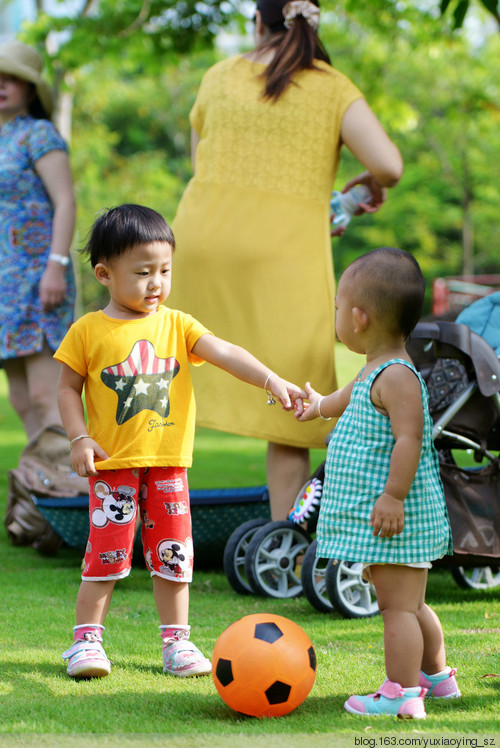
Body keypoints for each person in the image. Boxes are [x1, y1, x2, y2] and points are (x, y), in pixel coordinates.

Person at [168, 0, 404, 520]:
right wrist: (366, 185)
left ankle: (152, 531)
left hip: (200, 242)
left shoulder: (220, 76)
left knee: (172, 386)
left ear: (259, 21)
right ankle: (281, 538)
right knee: (292, 408)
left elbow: (200, 160)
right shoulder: (331, 86)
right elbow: (388, 164)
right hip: (283, 256)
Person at [54, 204, 305, 679]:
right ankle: (85, 643)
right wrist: (78, 437)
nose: (157, 284)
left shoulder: (178, 324)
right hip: (113, 467)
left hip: (169, 465)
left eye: (165, 271)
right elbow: (66, 388)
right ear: (105, 274)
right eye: (143, 272)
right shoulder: (87, 330)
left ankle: (178, 644)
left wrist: (272, 381)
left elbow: (226, 352)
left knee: (174, 555)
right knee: (105, 553)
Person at [295, 248, 459, 719]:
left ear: (359, 317)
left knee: (397, 611)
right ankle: (436, 678)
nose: (336, 317)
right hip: (388, 518)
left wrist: (393, 496)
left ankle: (402, 693)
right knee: (412, 603)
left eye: (337, 309)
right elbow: (344, 398)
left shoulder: (398, 377)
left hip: (396, 515)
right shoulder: (375, 367)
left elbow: (410, 440)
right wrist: (317, 405)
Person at [0, 40, 76, 439]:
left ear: (30, 89)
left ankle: (73, 492)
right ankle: (39, 492)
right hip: (4, 286)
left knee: (48, 394)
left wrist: (56, 266)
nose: (2, 84)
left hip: (40, 279)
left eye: (12, 78)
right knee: (22, 399)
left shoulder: (38, 134)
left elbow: (66, 201)